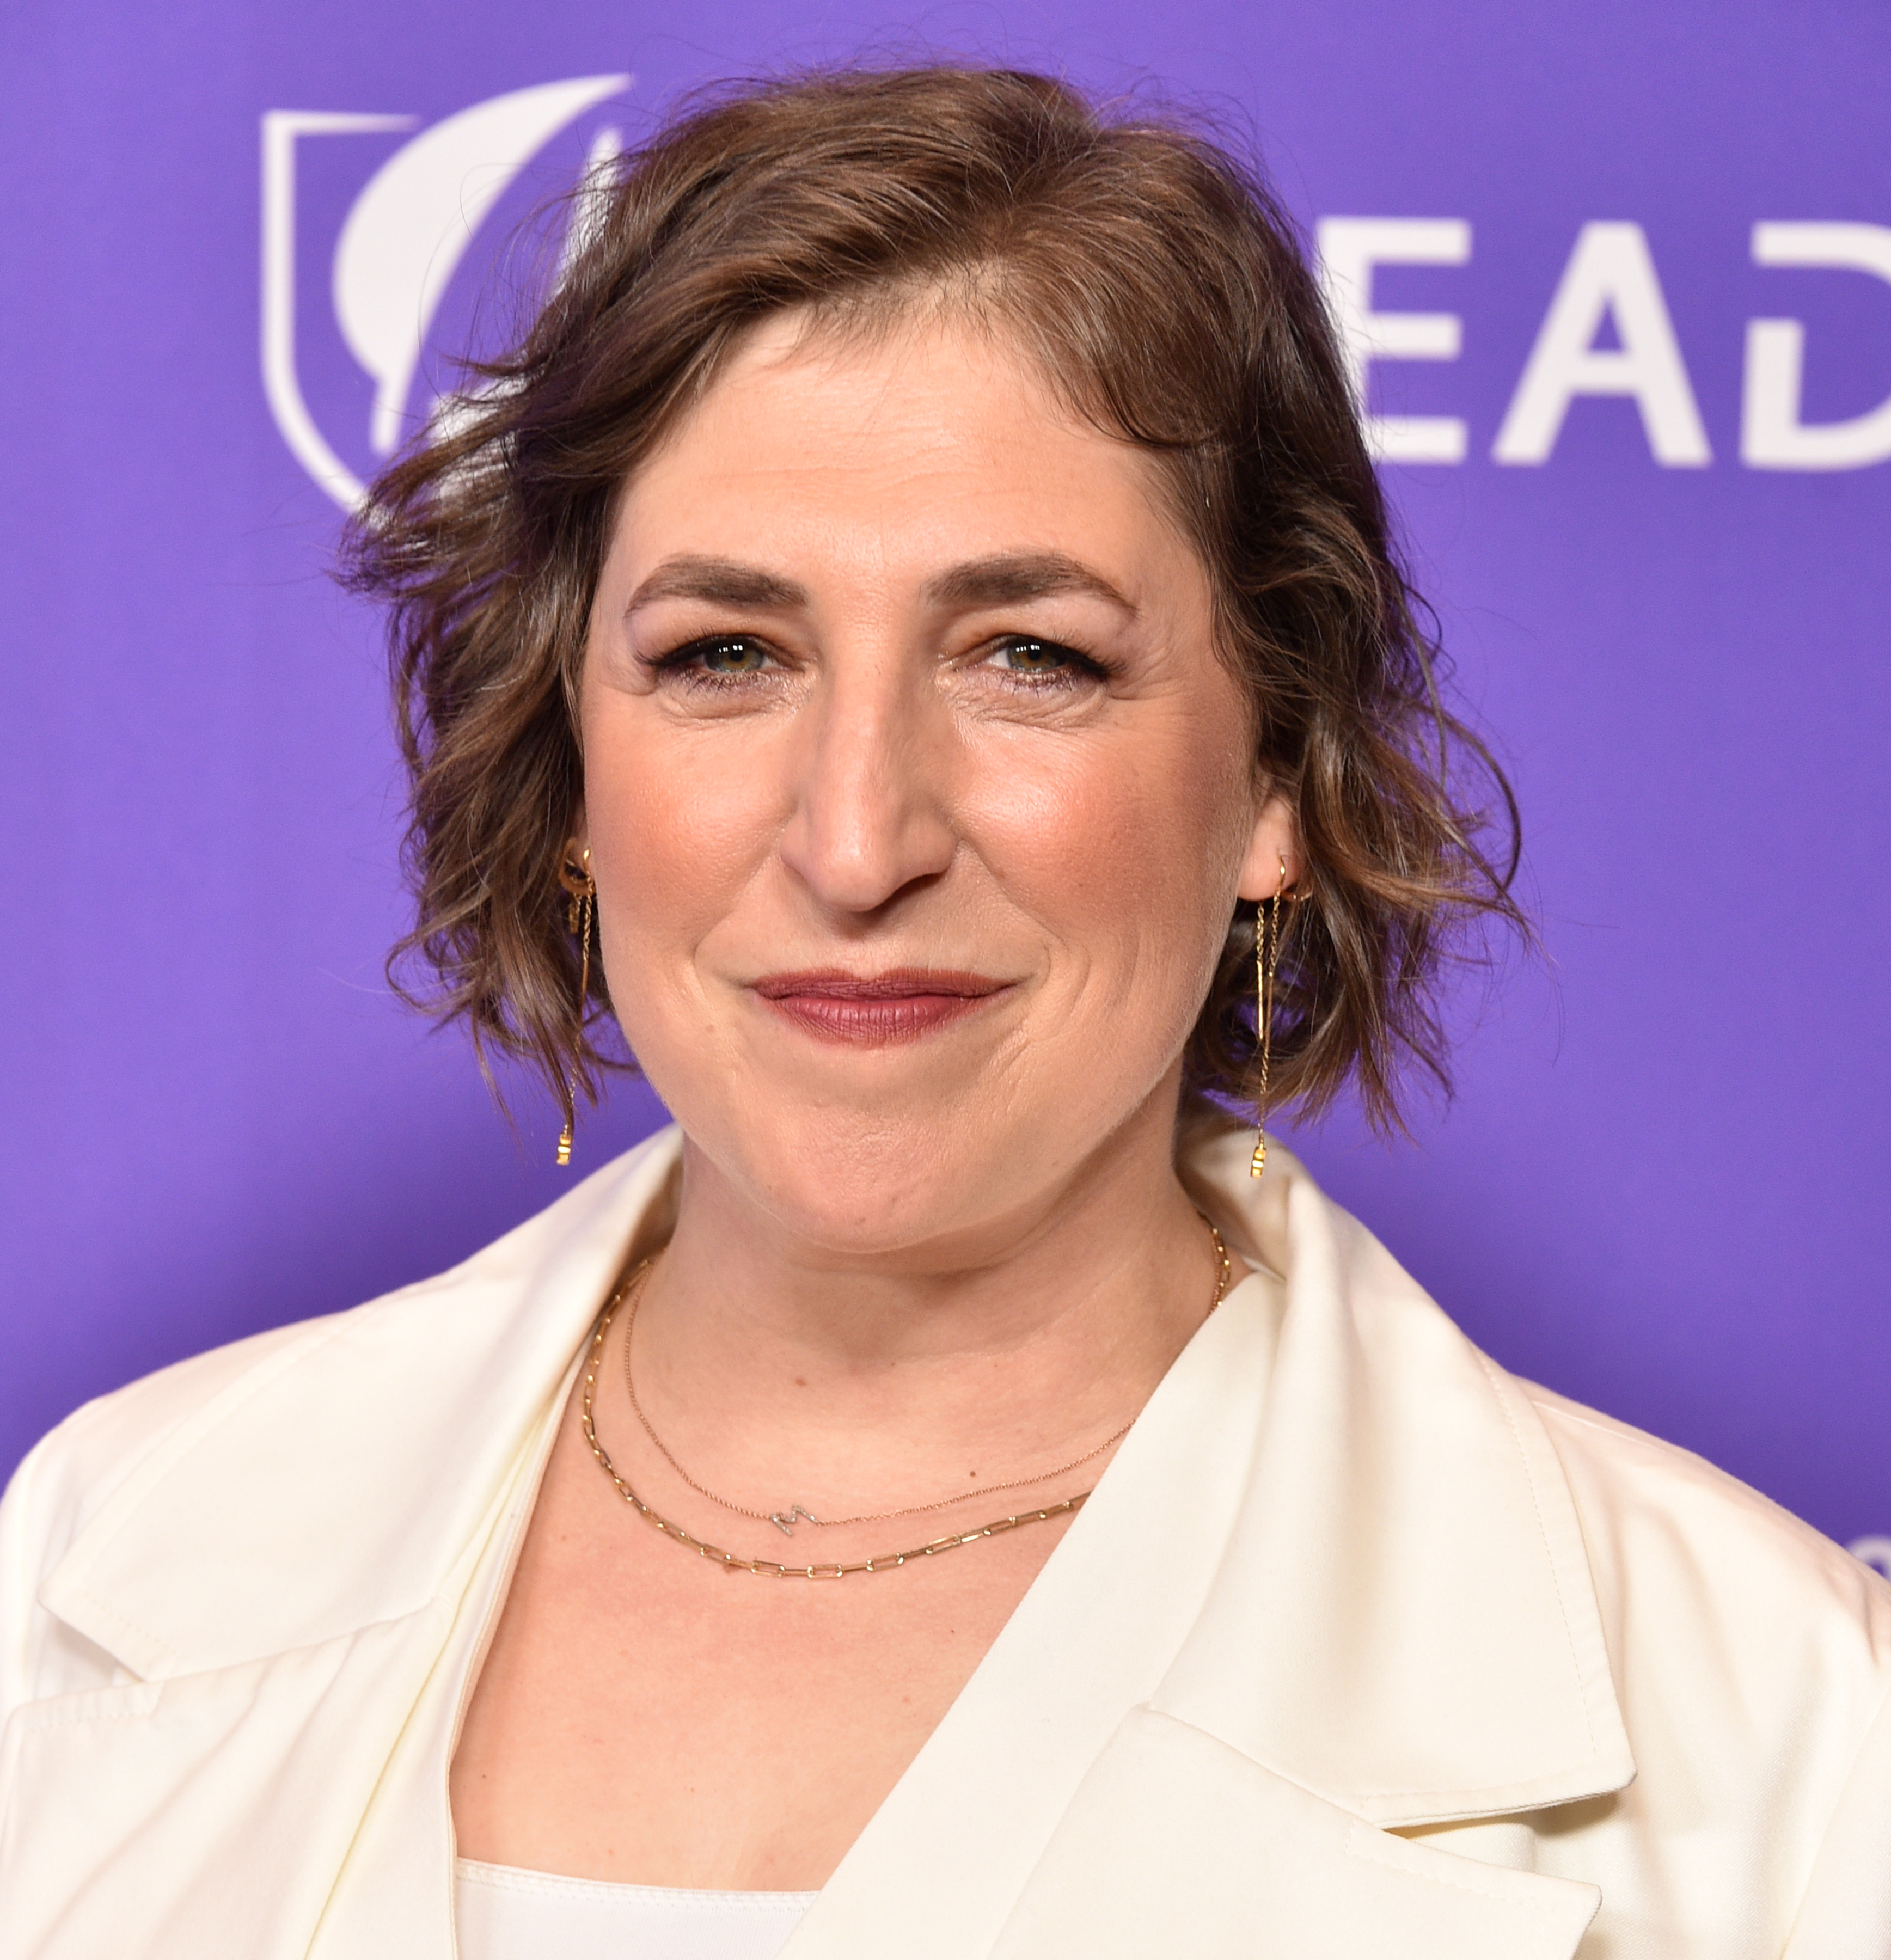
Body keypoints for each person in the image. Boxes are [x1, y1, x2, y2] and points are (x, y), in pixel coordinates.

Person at [2, 65, 1886, 1960]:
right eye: (724, 654)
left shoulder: (1781, 1729)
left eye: (1029, 658)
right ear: (569, 774)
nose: (854, 835)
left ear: (1275, 784)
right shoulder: (89, 1557)